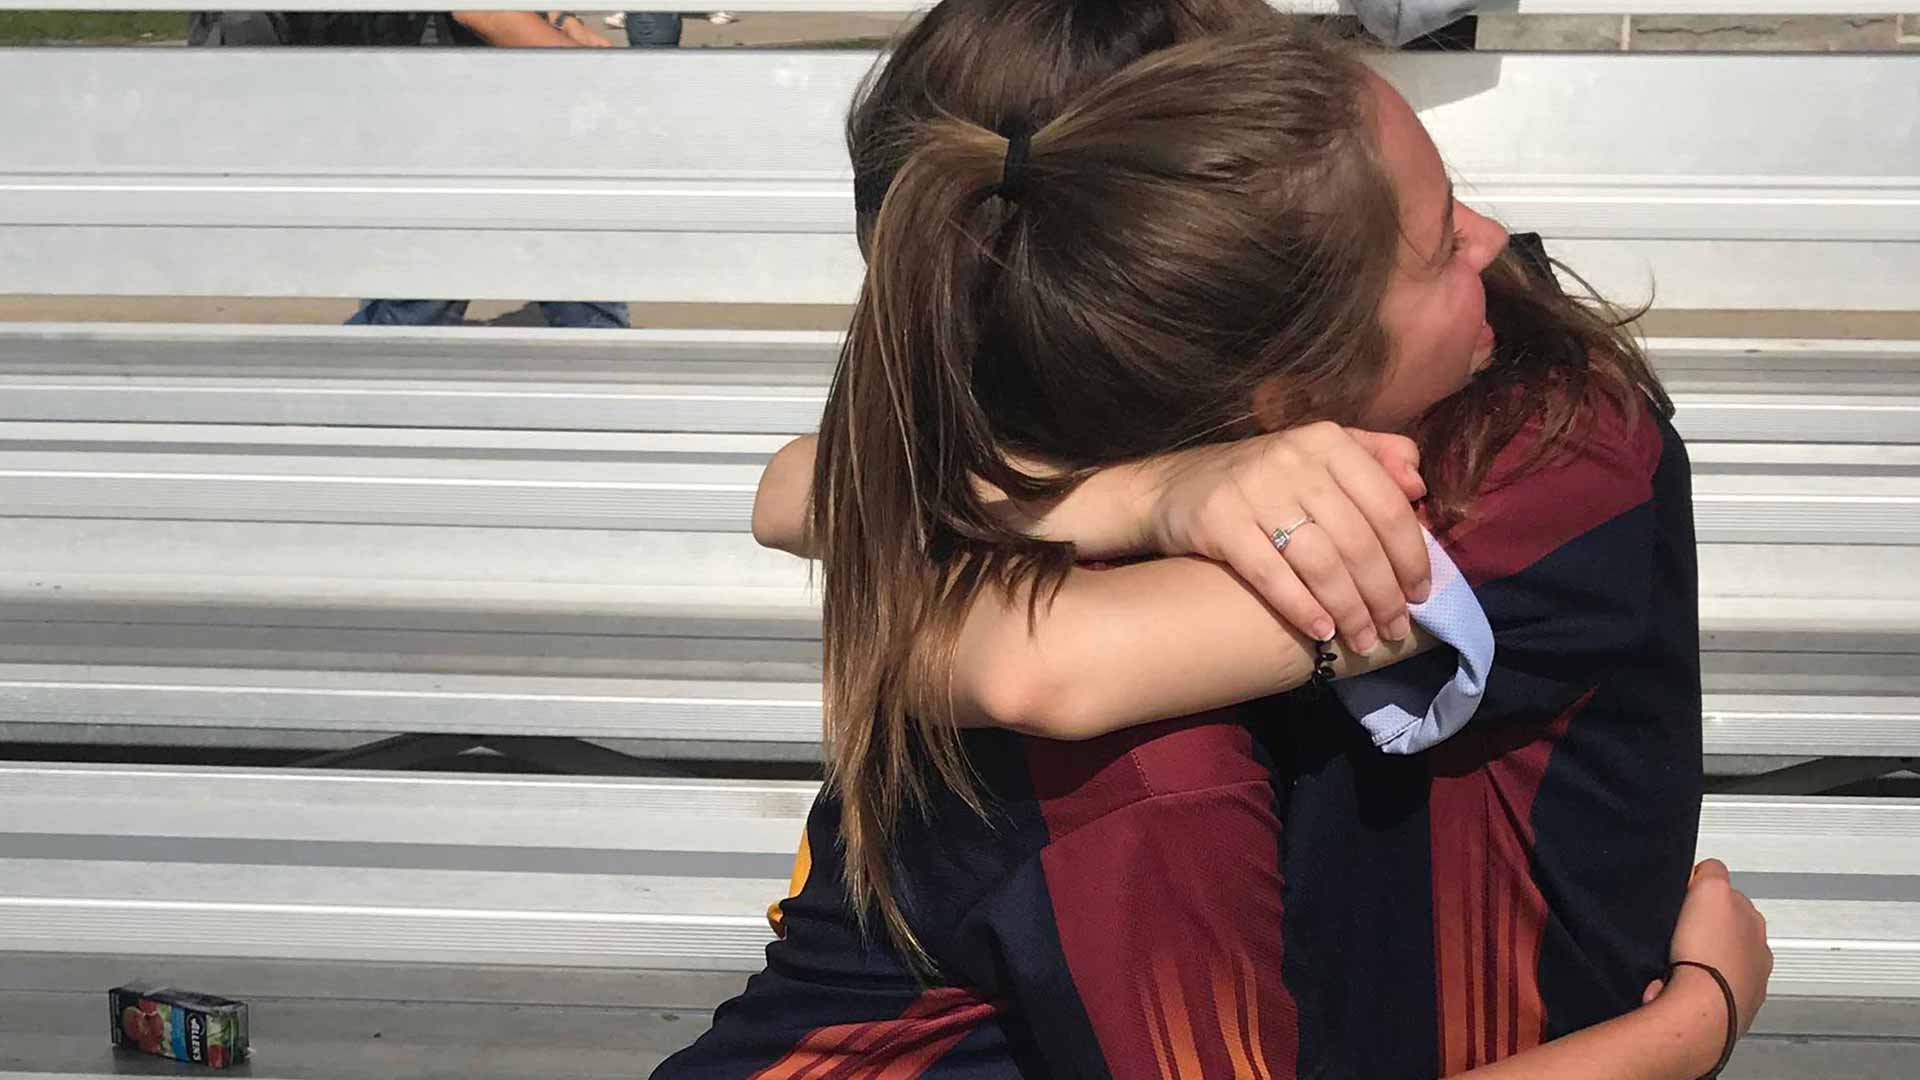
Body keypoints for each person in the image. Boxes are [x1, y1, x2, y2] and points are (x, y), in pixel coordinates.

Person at [656, 3, 1768, 1078]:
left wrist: (1140, 495)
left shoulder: (1524, 445)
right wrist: (1687, 1029)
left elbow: (836, 516)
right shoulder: (1148, 758)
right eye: (1433, 241)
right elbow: (1008, 644)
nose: (1494, 240)